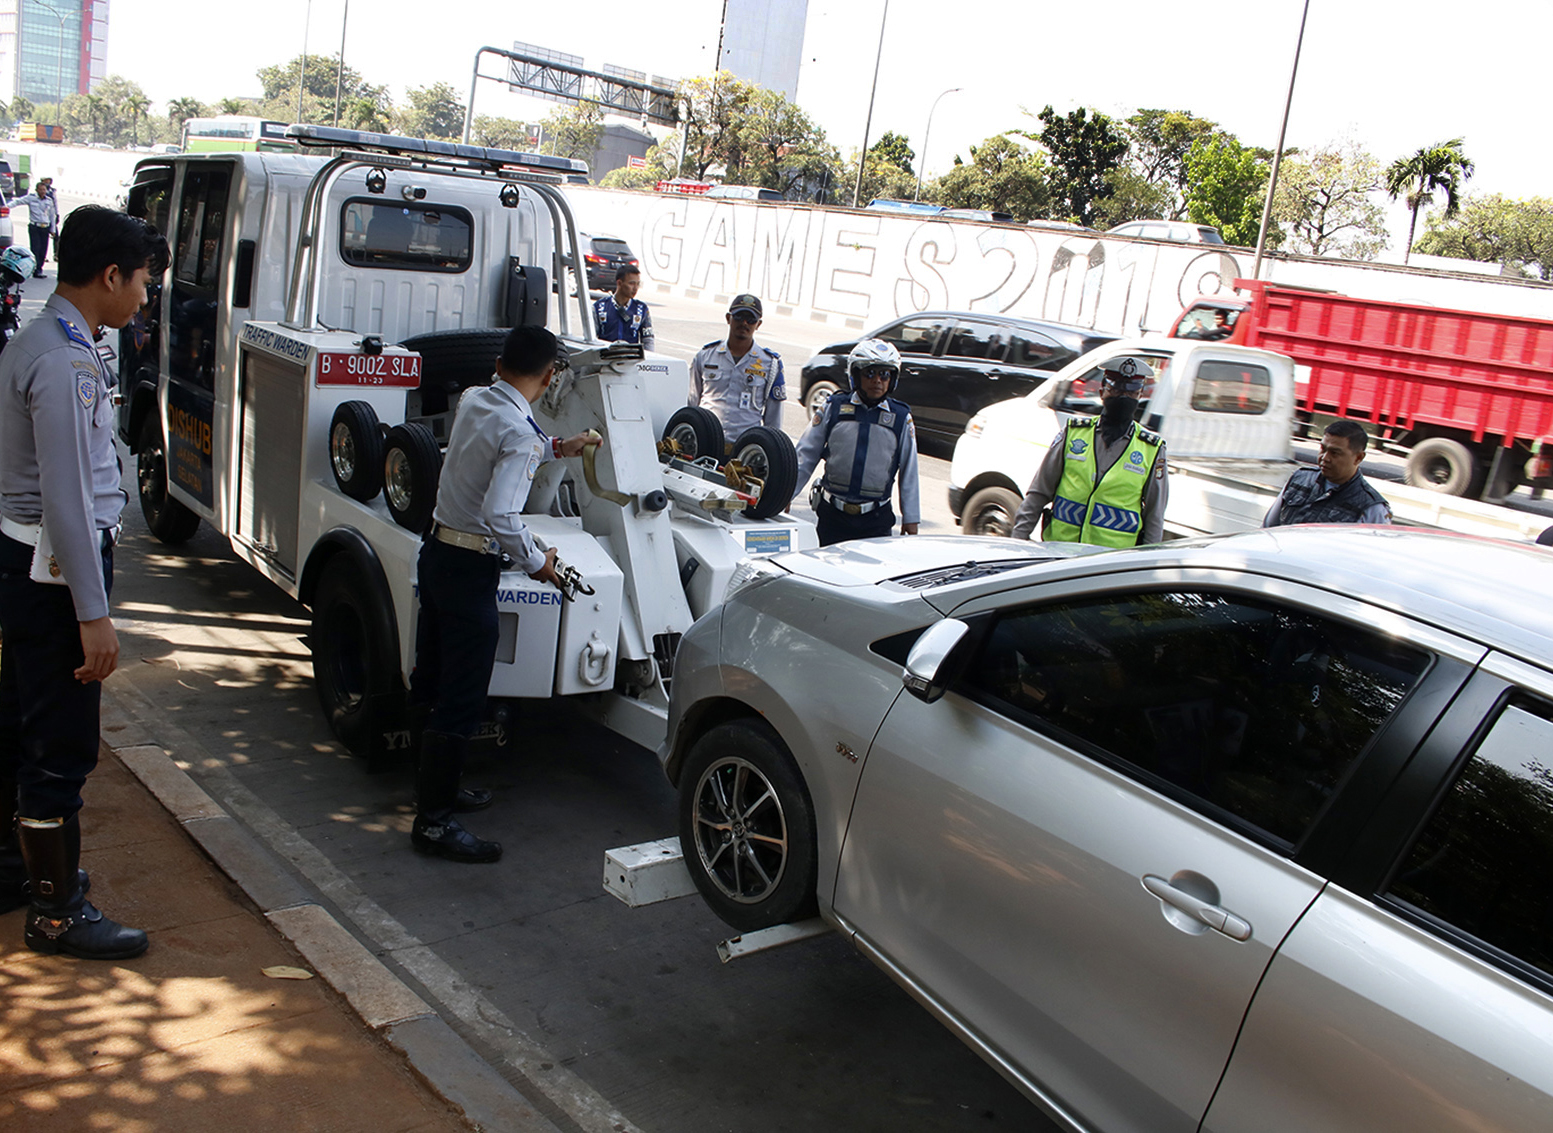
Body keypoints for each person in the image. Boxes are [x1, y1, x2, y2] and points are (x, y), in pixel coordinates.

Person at [0, 205, 169, 959]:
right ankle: (58, 912)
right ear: (109, 276)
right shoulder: (65, 362)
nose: (144, 297)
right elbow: (68, 500)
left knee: (19, 722)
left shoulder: (35, 338)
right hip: (55, 571)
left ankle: (21, 873)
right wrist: (93, 614)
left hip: (25, 560)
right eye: (141, 282)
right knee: (61, 744)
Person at [408, 325, 599, 864]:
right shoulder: (517, 429)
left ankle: (430, 790)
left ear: (498, 362)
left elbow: (517, 442)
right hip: (472, 568)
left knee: (432, 676)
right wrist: (540, 564)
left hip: (439, 553)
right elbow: (500, 514)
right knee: (463, 695)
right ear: (550, 375)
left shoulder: (476, 399)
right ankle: (434, 823)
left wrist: (562, 446)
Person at [1010, 355, 1170, 545]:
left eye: (1131, 394)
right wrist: (1018, 541)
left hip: (1108, 563)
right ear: (1102, 392)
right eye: (1116, 391)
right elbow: (1039, 492)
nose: (1123, 398)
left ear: (1140, 396)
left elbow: (1154, 517)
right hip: (1059, 552)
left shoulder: (1151, 449)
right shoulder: (1073, 433)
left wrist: (1144, 566)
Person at [793, 339, 921, 546]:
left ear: (893, 379)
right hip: (833, 516)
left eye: (884, 374)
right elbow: (806, 454)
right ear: (855, 375)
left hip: (876, 520)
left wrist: (911, 518)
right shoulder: (834, 408)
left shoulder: (900, 418)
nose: (877, 380)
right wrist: (788, 494)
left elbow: (909, 469)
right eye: (869, 373)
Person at [688, 293, 785, 441]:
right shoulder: (705, 356)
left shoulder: (771, 364)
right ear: (728, 318)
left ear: (758, 324)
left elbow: (774, 422)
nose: (744, 323)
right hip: (705, 440)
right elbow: (691, 402)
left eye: (751, 319)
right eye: (739, 317)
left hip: (744, 450)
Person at [1263, 420, 1392, 526]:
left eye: (1335, 453)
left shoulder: (1371, 508)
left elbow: (1375, 554)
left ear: (1358, 458)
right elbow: (1268, 529)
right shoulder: (1299, 480)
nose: (1325, 458)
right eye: (1322, 449)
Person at [593, 263, 654, 350]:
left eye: (638, 284)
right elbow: (591, 337)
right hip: (605, 358)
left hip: (631, 359)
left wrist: (648, 359)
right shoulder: (599, 307)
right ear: (619, 283)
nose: (635, 288)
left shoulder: (641, 308)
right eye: (631, 283)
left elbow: (648, 339)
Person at [14, 177, 60, 278]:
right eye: (41, 189)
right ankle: (35, 269)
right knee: (36, 248)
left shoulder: (49, 200)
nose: (43, 192)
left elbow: (52, 216)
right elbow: (17, 202)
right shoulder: (31, 198)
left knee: (43, 250)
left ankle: (39, 268)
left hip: (45, 228)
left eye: (44, 190)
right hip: (35, 227)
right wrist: (5, 207)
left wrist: (52, 229)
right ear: (37, 190)